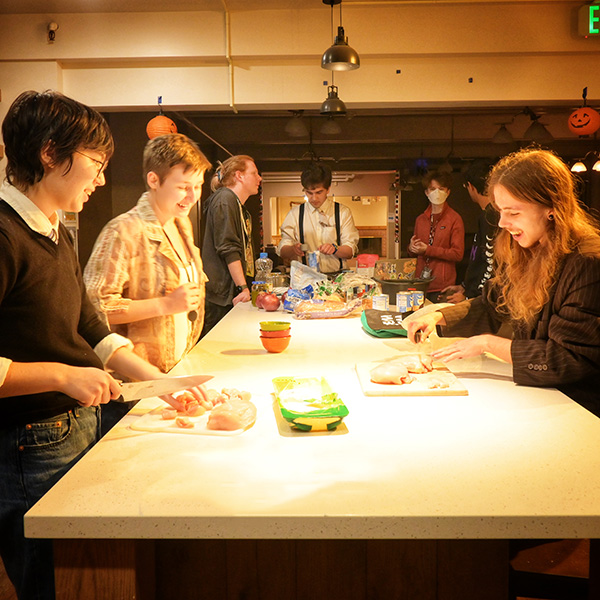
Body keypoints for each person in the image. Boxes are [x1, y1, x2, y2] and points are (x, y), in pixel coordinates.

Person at [0, 91, 208, 600]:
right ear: (50, 154)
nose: (100, 179)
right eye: (94, 164)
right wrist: (60, 375)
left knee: (95, 573)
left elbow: (93, 327)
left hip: (73, 425)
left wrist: (159, 384)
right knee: (57, 580)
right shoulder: (5, 235)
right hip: (30, 441)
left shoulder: (55, 230)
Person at [406, 148, 600, 415]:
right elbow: (493, 304)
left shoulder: (587, 264)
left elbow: (567, 360)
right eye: (500, 211)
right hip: (539, 398)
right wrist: (439, 316)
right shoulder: (524, 252)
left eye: (514, 212)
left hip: (580, 409)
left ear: (551, 208)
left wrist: (488, 343)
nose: (503, 222)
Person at [201, 155, 261, 337]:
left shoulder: (235, 203)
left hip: (228, 293)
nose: (259, 178)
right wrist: (242, 287)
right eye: (254, 173)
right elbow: (228, 247)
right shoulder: (225, 199)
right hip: (222, 295)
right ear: (239, 176)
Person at [277, 162, 359, 274]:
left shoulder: (342, 212)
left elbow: (349, 251)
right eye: (309, 193)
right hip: (304, 279)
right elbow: (282, 251)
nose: (314, 198)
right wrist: (293, 249)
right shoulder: (295, 214)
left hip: (336, 277)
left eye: (319, 192)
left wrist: (335, 249)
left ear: (328, 189)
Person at [441, 160, 499, 303]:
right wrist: (464, 286)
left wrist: (470, 296)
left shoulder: (491, 216)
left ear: (470, 187)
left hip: (485, 299)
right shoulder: (488, 214)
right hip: (479, 294)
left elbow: (490, 264)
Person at [408, 171, 464, 302]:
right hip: (420, 284)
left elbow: (457, 254)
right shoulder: (420, 219)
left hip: (443, 286)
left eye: (441, 189)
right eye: (433, 189)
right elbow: (413, 253)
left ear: (448, 192)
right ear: (426, 192)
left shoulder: (454, 219)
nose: (437, 193)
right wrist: (411, 248)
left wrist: (427, 250)